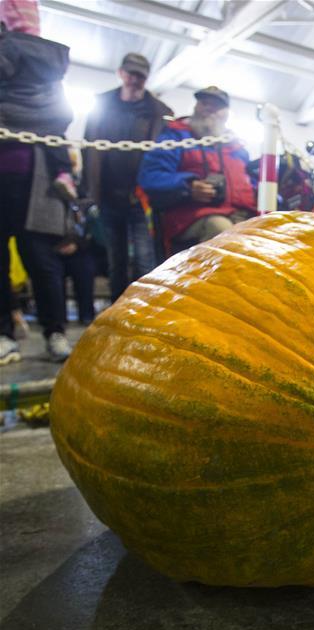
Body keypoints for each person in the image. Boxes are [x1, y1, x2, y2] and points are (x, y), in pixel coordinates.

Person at [0, 0, 76, 363]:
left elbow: (59, 122)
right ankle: (14, 333)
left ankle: (52, 331)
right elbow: (60, 120)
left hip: (36, 181)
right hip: (27, 176)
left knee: (41, 260)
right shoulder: (50, 75)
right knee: (37, 261)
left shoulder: (34, 69)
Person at [82, 52, 172, 302]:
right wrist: (88, 192)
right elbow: (87, 150)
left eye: (140, 75)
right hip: (108, 195)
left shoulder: (160, 113)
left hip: (142, 199)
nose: (135, 79)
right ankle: (116, 311)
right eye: (131, 73)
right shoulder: (101, 106)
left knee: (145, 260)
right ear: (121, 73)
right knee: (116, 260)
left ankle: (141, 311)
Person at [138, 86, 256, 257]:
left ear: (226, 113)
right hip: (192, 216)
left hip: (241, 215)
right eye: (204, 103)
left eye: (216, 105)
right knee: (220, 230)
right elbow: (150, 176)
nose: (209, 108)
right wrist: (188, 185)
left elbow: (251, 182)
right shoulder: (175, 137)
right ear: (195, 106)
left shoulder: (237, 148)